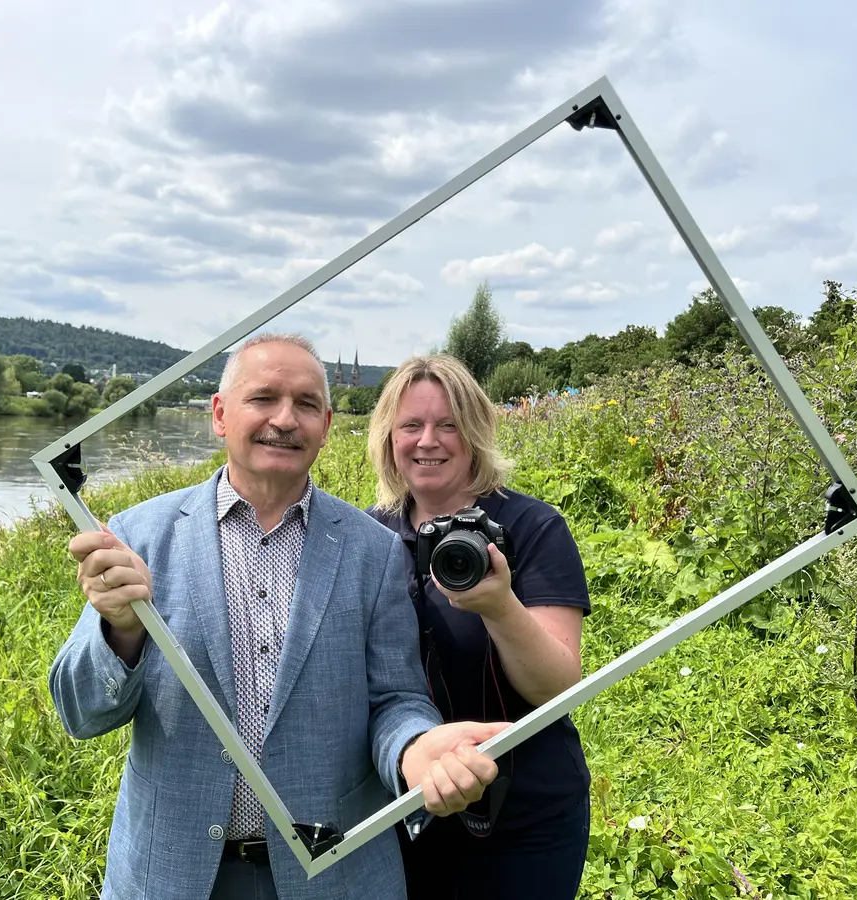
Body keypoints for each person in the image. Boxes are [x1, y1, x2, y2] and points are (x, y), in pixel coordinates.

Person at [50, 333, 508, 900]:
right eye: (263, 398)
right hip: (171, 873)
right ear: (220, 415)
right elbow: (79, 713)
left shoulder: (374, 551)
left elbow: (396, 699)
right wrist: (120, 630)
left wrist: (417, 749)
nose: (285, 420)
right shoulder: (139, 536)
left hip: (334, 873)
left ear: (327, 424)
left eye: (307, 404)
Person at [364, 354, 593, 900]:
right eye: (411, 426)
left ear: (475, 433)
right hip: (408, 803)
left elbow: (557, 686)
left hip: (527, 812)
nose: (428, 441)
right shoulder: (368, 538)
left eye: (448, 425)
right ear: (388, 438)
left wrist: (499, 605)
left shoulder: (531, 527)